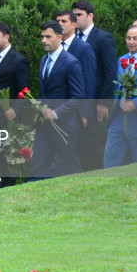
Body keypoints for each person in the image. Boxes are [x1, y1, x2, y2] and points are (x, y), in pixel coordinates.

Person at [30, 20, 86, 179]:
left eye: (48, 37)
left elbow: (79, 97)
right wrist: (39, 110)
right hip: (44, 124)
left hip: (65, 126)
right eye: (42, 37)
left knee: (71, 167)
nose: (44, 40)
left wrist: (56, 113)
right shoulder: (43, 60)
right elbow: (45, 92)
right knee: (37, 166)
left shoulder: (71, 63)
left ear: (60, 37)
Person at [103, 26, 137, 168]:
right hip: (118, 118)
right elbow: (118, 87)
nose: (131, 42)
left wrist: (136, 104)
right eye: (128, 38)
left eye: (135, 38)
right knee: (110, 161)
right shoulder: (122, 60)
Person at [0, 22, 29, 120]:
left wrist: (14, 110)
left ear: (6, 37)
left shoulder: (19, 61)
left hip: (6, 117)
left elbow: (25, 91)